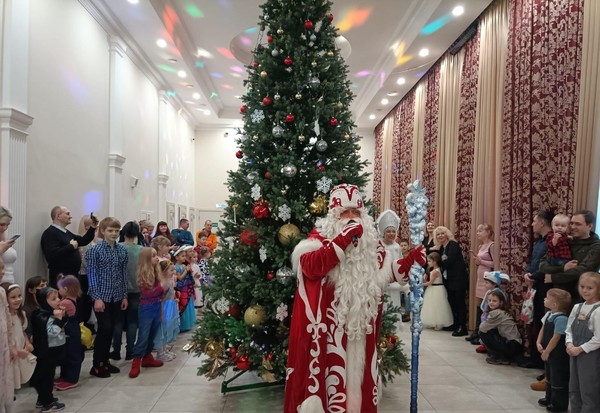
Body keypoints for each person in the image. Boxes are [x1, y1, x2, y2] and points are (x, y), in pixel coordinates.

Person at [284, 184, 426, 413]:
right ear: (334, 215)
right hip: (330, 332)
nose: (351, 218)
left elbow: (387, 274)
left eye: (356, 213)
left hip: (361, 331)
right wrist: (341, 240)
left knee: (359, 385)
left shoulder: (372, 245)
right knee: (331, 384)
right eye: (344, 213)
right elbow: (309, 267)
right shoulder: (319, 238)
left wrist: (409, 261)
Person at [86, 217, 128, 378]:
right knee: (104, 328)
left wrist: (124, 296)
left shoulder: (122, 250)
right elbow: (92, 275)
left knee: (112, 328)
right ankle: (97, 363)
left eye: (117, 231)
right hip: (101, 295)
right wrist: (96, 297)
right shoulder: (94, 251)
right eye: (110, 230)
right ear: (103, 231)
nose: (114, 234)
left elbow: (123, 275)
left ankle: (105, 361)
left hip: (117, 295)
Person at [540, 210, 600, 300]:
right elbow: (543, 265)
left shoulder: (596, 246)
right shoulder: (563, 240)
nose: (572, 227)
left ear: (589, 226)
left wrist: (553, 277)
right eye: (571, 223)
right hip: (555, 295)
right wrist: (562, 268)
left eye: (577, 224)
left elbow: (583, 271)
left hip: (578, 297)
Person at [525, 210, 554, 380]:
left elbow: (548, 264)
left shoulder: (551, 241)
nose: (532, 224)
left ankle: (545, 363)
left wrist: (533, 276)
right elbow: (533, 261)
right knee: (536, 320)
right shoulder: (538, 242)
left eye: (534, 221)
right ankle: (536, 359)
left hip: (546, 285)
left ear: (542, 222)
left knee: (545, 322)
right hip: (536, 283)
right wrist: (528, 273)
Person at [565, 272, 600, 413]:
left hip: (590, 355)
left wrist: (580, 349)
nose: (585, 290)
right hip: (573, 352)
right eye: (582, 286)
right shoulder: (577, 307)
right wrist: (569, 343)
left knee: (589, 390)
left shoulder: (598, 310)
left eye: (590, 288)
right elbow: (569, 329)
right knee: (574, 388)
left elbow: (598, 338)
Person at [128, 248, 165, 378]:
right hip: (146, 308)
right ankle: (136, 362)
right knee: (143, 336)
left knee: (152, 334)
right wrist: (162, 287)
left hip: (156, 306)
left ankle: (147, 357)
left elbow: (160, 293)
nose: (157, 258)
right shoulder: (143, 274)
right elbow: (148, 292)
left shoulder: (157, 271)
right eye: (153, 256)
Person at [40, 206, 98, 287]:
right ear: (58, 216)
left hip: (72, 277)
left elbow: (83, 240)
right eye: (67, 214)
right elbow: (52, 255)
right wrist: (70, 247)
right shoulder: (50, 233)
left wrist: (93, 227)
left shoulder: (65, 232)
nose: (70, 216)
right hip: (61, 279)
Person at [30, 287, 66, 413]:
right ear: (44, 301)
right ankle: (47, 403)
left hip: (53, 350)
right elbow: (52, 333)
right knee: (47, 377)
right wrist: (58, 319)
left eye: (58, 297)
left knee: (50, 375)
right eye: (54, 299)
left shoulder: (50, 312)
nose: (58, 300)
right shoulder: (42, 315)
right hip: (47, 351)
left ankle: (43, 399)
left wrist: (61, 316)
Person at [111, 221, 143, 361]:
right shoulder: (141, 250)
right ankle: (130, 351)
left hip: (118, 289)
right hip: (136, 289)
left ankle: (116, 350)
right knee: (133, 322)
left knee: (117, 321)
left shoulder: (117, 248)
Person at [536, 288, 571, 412]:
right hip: (548, 351)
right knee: (549, 375)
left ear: (555, 304)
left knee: (558, 378)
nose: (544, 299)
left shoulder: (561, 319)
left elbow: (556, 337)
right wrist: (538, 342)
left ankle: (559, 403)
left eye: (547, 298)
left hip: (557, 353)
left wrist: (547, 351)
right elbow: (543, 328)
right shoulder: (549, 314)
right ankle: (549, 397)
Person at [433, 226, 469, 336]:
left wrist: (438, 266)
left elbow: (450, 261)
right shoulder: (442, 248)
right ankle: (456, 324)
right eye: (438, 234)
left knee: (459, 303)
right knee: (452, 302)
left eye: (442, 233)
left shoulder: (453, 245)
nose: (440, 236)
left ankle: (462, 327)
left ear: (447, 234)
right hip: (449, 279)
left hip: (458, 279)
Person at [1, 282, 36, 391]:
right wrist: (15, 350)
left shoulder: (21, 314)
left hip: (20, 349)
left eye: (19, 296)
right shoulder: (4, 319)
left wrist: (27, 343)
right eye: (13, 297)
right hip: (9, 352)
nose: (18, 299)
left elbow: (22, 331)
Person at [466, 224, 495, 344]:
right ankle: (477, 331)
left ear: (488, 232)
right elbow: (481, 262)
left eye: (480, 231)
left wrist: (481, 261)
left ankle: (483, 334)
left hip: (488, 280)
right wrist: (478, 262)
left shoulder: (492, 245)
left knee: (486, 306)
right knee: (479, 305)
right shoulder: (481, 246)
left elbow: (495, 263)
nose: (478, 233)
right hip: (480, 278)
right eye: (477, 231)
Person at [479, 289, 522, 365]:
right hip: (515, 344)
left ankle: (500, 357)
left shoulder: (496, 313)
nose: (491, 303)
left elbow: (482, 328)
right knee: (490, 330)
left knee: (482, 333)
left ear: (501, 303)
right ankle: (502, 356)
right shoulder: (502, 312)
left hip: (511, 345)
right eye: (489, 300)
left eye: (494, 301)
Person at [55, 275, 83, 391]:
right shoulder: (71, 299)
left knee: (72, 355)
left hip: (71, 330)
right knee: (66, 354)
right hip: (70, 330)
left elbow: (56, 310)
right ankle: (65, 376)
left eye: (59, 289)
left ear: (65, 289)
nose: (58, 291)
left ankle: (71, 379)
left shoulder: (66, 302)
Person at [474, 271, 510, 353]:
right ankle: (485, 344)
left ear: (494, 284)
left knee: (490, 329)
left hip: (493, 315)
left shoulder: (498, 293)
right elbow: (484, 303)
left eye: (487, 283)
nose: (485, 284)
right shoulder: (489, 292)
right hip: (487, 313)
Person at [376, 210, 404, 314]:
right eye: (388, 231)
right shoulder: (379, 245)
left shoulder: (397, 246)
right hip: (382, 281)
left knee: (395, 302)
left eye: (393, 231)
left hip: (395, 280)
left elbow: (400, 262)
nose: (391, 234)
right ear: (383, 232)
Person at [76, 215, 97, 335]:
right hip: (86, 275)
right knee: (87, 302)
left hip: (88, 274)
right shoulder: (86, 242)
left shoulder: (91, 241)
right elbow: (85, 261)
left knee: (89, 302)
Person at [154, 260, 179, 362]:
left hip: (171, 305)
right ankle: (160, 352)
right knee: (162, 329)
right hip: (164, 306)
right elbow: (161, 297)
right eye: (171, 270)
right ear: (163, 271)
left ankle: (165, 349)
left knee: (169, 328)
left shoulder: (170, 280)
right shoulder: (162, 282)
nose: (173, 272)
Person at [421, 252, 453, 330]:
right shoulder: (434, 270)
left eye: (429, 261)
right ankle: (433, 322)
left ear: (435, 261)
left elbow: (430, 283)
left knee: (437, 306)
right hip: (434, 288)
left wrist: (420, 284)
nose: (428, 263)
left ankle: (438, 323)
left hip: (436, 289)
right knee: (432, 305)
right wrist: (424, 278)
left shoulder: (435, 271)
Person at [0, 258, 16, 413]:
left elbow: (8, 319)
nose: (2, 272)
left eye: (3, 268)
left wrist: (11, 346)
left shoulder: (2, 292)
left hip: (3, 346)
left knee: (5, 383)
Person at [174, 245, 195, 332]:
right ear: (176, 257)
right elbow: (180, 278)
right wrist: (186, 270)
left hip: (187, 288)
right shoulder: (176, 267)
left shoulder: (184, 265)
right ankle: (182, 325)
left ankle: (188, 324)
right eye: (182, 256)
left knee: (188, 304)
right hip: (182, 289)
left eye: (184, 256)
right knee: (183, 304)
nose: (184, 258)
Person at [0, 206, 18, 284]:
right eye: (2, 224)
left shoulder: (3, 236)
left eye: (7, 225)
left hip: (9, 282)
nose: (5, 228)